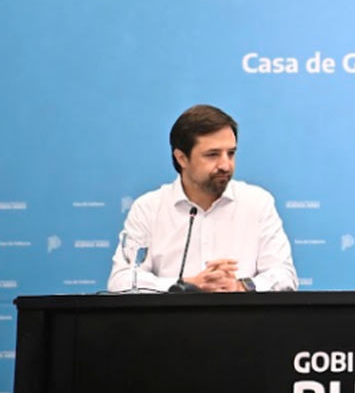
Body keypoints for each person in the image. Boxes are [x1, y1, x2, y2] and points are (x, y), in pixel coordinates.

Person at [107, 105, 298, 292]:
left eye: (230, 153)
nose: (225, 164)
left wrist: (241, 286)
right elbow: (121, 281)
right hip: (171, 322)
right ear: (182, 158)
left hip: (242, 321)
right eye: (212, 155)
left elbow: (284, 276)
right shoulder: (149, 208)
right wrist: (185, 285)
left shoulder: (257, 203)